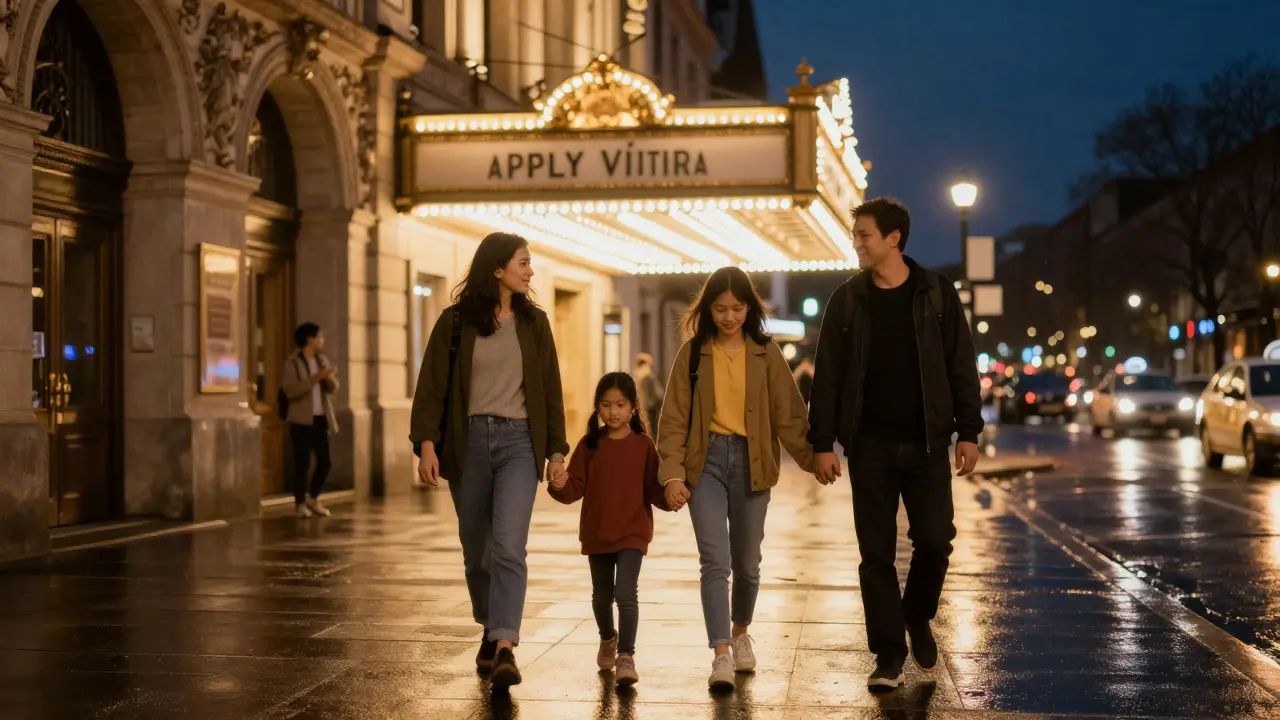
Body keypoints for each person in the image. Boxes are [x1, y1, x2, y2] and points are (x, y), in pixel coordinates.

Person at [807, 197, 983, 691]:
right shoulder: (847, 300)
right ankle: (888, 655)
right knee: (876, 554)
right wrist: (823, 442)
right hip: (870, 447)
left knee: (935, 540)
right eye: (855, 234)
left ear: (893, 238)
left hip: (927, 445)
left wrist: (969, 431)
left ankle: (916, 614)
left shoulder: (936, 293)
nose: (856, 243)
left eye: (864, 234)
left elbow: (961, 365)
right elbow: (827, 377)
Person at [409, 232, 570, 689]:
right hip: (470, 443)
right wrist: (426, 444)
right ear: (497, 269)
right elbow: (432, 386)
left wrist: (556, 451)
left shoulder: (535, 324)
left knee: (509, 545)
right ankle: (489, 623)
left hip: (520, 443)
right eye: (523, 263)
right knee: (477, 552)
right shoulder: (456, 322)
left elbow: (551, 392)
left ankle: (504, 644)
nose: (530, 271)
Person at [656, 266, 814, 692]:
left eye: (737, 308)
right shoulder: (692, 353)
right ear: (708, 309)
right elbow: (673, 420)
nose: (729, 317)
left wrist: (814, 459)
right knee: (715, 561)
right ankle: (721, 652)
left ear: (750, 308)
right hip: (704, 462)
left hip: (752, 461)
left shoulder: (766, 353)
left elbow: (789, 414)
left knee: (747, 564)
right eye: (720, 309)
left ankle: (741, 632)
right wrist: (672, 474)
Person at [547, 372, 673, 689]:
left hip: (633, 532)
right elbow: (574, 488)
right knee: (601, 598)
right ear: (597, 407)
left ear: (632, 407)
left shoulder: (644, 445)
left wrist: (672, 497)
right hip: (598, 532)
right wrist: (558, 485)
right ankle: (608, 637)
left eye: (620, 404)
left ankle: (626, 656)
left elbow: (653, 488)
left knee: (626, 593)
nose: (613, 412)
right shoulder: (589, 445)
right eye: (606, 405)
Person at [281, 322, 339, 518]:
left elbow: (333, 389)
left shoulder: (321, 360)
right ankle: (299, 503)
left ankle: (313, 497)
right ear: (309, 339)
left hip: (320, 418)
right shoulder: (293, 363)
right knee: (302, 463)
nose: (322, 340)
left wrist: (328, 377)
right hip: (301, 420)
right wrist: (316, 377)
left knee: (325, 461)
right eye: (319, 336)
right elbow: (291, 391)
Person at [634, 353, 665, 434]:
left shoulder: (646, 377)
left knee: (653, 428)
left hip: (651, 407)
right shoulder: (647, 376)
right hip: (650, 407)